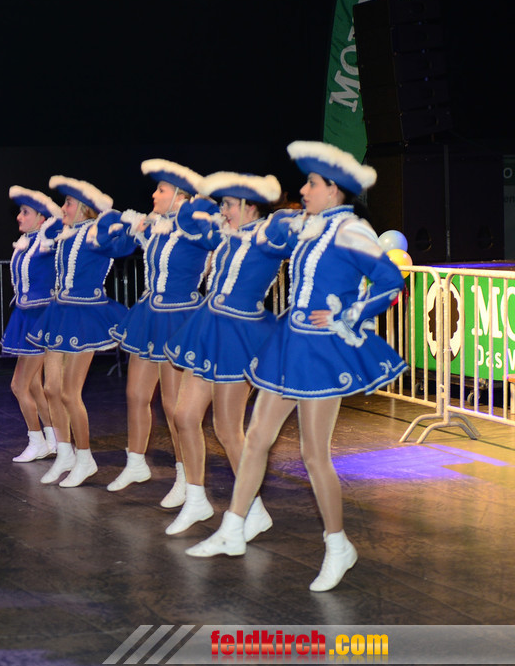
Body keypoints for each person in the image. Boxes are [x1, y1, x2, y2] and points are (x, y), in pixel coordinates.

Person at [186, 141, 407, 594]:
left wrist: (349, 313)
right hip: (291, 343)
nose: (303, 190)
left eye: (311, 183)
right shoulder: (310, 226)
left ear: (334, 190)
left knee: (313, 454)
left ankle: (338, 545)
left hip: (322, 352)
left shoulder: (351, 230)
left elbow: (391, 281)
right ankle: (233, 527)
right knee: (256, 438)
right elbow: (266, 238)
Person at [162, 171, 282, 537]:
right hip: (208, 329)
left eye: (228, 204)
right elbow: (187, 218)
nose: (223, 211)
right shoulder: (227, 236)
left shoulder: (268, 236)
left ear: (249, 205)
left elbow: (303, 231)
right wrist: (199, 195)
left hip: (240, 335)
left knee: (228, 429)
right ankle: (197, 499)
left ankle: (253, 509)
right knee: (184, 416)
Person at [106, 160, 210, 501]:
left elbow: (212, 221)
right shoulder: (157, 228)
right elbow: (116, 249)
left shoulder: (194, 227)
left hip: (178, 318)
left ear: (180, 196)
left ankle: (184, 475)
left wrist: (192, 207)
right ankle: (136, 462)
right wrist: (131, 227)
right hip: (149, 315)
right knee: (136, 395)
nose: (153, 194)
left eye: (161, 190)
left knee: (172, 404)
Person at [27, 175, 131, 487]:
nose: (63, 208)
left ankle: (85, 457)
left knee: (70, 393)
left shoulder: (96, 232)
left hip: (86, 315)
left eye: (69, 203)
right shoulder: (65, 233)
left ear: (85, 207)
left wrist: (116, 221)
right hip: (59, 312)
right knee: (50, 389)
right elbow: (46, 235)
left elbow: (123, 246)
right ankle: (65, 452)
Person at [2, 186, 61, 462]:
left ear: (41, 218)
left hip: (41, 319)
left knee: (19, 385)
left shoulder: (47, 240)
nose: (18, 217)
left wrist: (52, 214)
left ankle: (37, 439)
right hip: (26, 316)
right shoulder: (26, 242)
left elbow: (61, 224)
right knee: (34, 385)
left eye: (25, 212)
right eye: (20, 211)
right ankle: (52, 440)